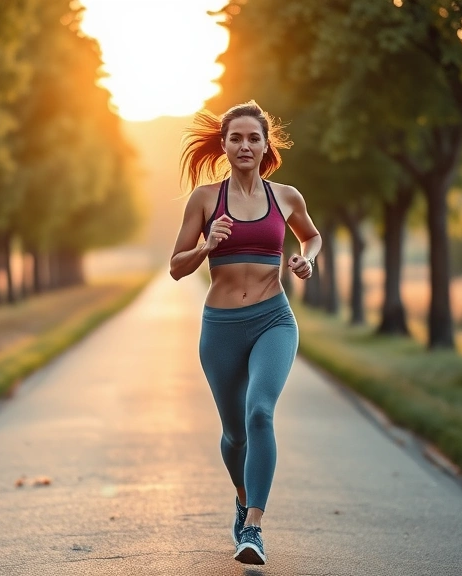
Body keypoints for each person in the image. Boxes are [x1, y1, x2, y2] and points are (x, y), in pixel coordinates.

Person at [169, 100, 322, 565]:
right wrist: (205, 246)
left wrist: (305, 260)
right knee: (235, 435)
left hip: (273, 319)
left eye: (254, 137)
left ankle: (253, 527)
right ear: (224, 144)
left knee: (260, 414)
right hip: (221, 329)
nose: (245, 145)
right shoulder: (204, 199)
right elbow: (176, 267)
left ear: (265, 145)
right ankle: (242, 498)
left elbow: (311, 236)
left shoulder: (286, 197)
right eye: (236, 137)